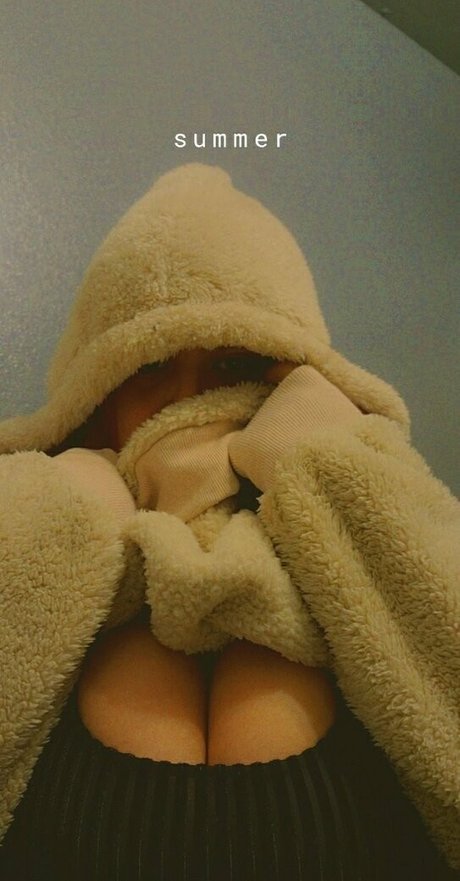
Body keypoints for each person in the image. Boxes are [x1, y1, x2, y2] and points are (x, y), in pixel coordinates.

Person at [0, 163, 458, 880]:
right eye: (149, 368)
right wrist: (73, 498)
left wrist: (328, 457)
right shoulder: (48, 514)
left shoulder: (363, 546)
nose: (187, 401)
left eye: (230, 366)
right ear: (98, 398)